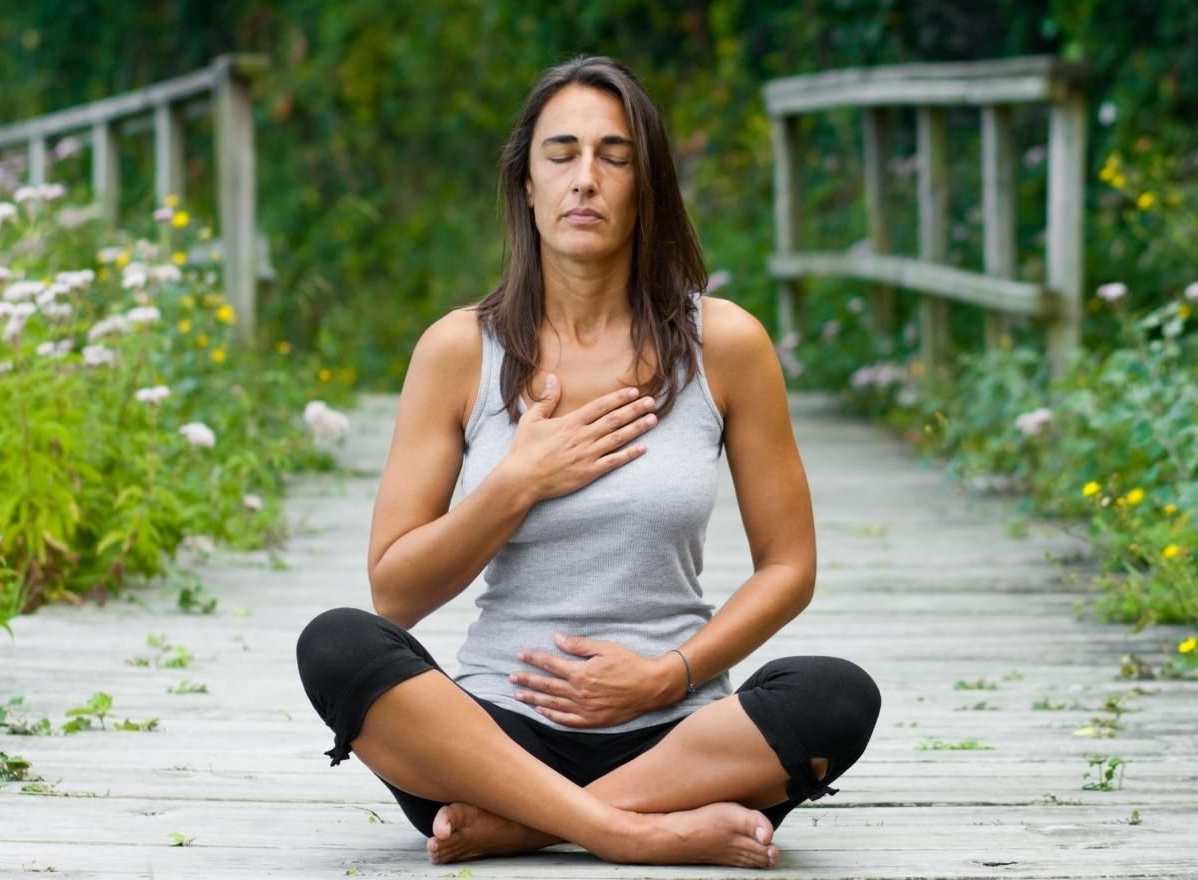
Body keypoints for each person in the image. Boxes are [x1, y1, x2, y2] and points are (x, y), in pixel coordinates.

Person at [296, 55, 881, 870]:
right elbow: (394, 595)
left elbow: (790, 567)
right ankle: (634, 832)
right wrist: (518, 481)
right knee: (336, 644)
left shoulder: (729, 345)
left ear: (649, 187)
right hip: (493, 739)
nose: (585, 179)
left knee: (839, 694)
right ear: (526, 185)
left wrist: (665, 678)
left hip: (679, 738)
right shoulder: (458, 351)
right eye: (561, 154)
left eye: (615, 156)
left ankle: (525, 827)